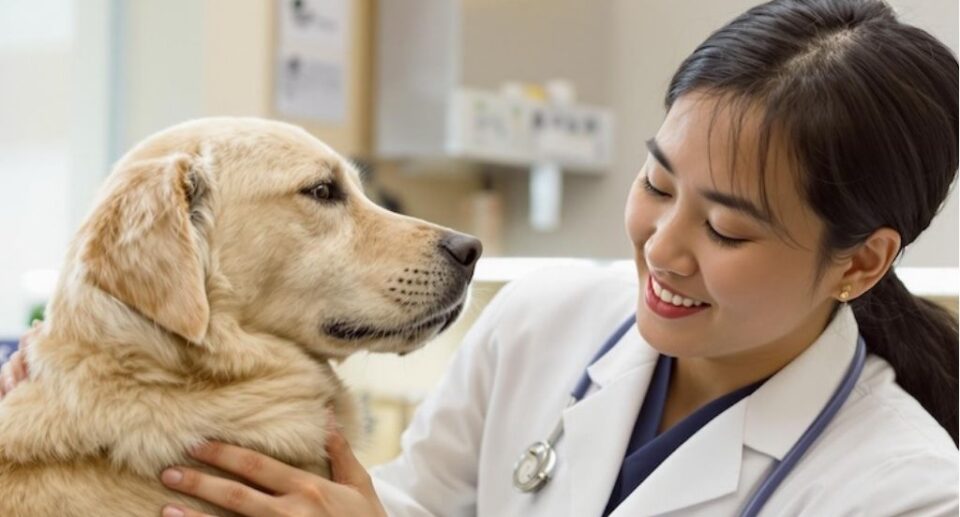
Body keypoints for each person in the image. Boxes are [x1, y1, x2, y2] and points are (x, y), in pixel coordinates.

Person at [2, 0, 958, 514]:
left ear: (860, 264)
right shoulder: (547, 322)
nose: (662, 248)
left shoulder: (903, 490)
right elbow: (411, 501)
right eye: (658, 184)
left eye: (729, 229)